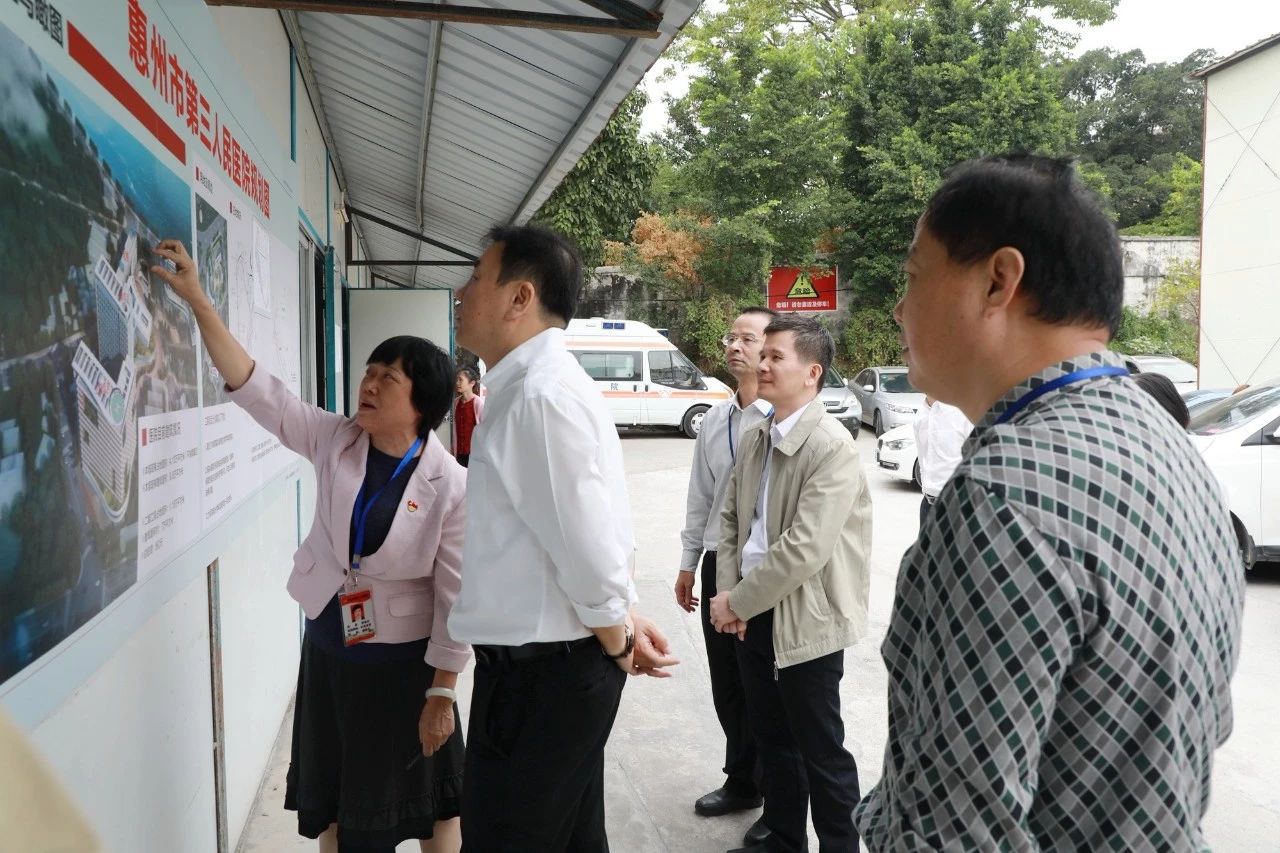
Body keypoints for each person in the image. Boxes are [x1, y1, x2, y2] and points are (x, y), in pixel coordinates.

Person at [854, 154, 1245, 850]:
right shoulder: (1173, 448)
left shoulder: (1003, 495)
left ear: (998, 280)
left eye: (913, 276)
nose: (899, 308)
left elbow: (951, 835)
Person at [151, 240, 469, 853]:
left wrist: (442, 692)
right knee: (337, 809)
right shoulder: (335, 439)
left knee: (432, 808)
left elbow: (458, 597)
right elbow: (258, 391)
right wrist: (198, 302)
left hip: (403, 671)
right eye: (369, 372)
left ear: (422, 402)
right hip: (330, 652)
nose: (368, 384)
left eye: (388, 377)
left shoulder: (450, 485)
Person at [446, 224, 678, 852]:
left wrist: (617, 636)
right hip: (546, 670)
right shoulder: (532, 387)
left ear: (520, 297)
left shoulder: (539, 396)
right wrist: (619, 618)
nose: (462, 292)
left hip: (543, 680)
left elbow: (587, 548)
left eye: (476, 277)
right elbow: (579, 528)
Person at [709, 314, 872, 853]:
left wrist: (737, 600)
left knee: (820, 748)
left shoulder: (831, 446)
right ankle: (782, 837)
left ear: (812, 372)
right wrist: (731, 595)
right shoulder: (756, 434)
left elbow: (805, 547)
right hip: (750, 610)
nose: (762, 364)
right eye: (764, 355)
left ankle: (839, 846)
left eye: (776, 356)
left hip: (806, 618)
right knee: (772, 737)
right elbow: (731, 521)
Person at [675, 307, 775, 846]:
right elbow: (701, 496)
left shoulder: (781, 417)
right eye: (730, 337)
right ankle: (742, 781)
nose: (734, 346)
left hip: (764, 566)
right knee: (727, 682)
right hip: (719, 559)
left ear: (772, 349)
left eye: (747, 338)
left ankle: (777, 799)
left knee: (764, 685)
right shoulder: (715, 419)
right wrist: (689, 563)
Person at [912, 396, 972, 526]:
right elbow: (922, 458)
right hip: (927, 505)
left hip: (956, 505)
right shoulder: (921, 414)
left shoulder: (961, 412)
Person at [451, 366, 484, 467]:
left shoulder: (479, 403)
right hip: (458, 453)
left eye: (460, 380)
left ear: (472, 383)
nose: (457, 383)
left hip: (474, 455)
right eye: (456, 380)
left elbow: (484, 430)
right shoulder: (456, 403)